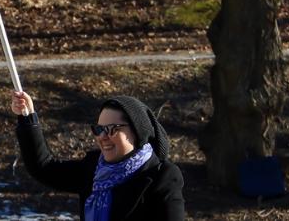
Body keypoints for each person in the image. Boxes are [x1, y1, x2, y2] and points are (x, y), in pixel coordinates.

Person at [11, 91, 184, 221]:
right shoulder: (94, 168)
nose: (102, 136)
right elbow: (43, 167)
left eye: (112, 129)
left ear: (138, 132)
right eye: (99, 129)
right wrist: (27, 119)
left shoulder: (162, 176)